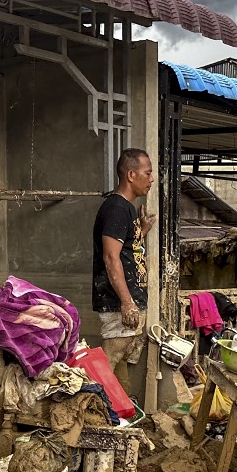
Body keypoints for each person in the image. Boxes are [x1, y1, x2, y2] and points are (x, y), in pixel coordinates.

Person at [92, 148, 156, 391]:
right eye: (147, 173)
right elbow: (111, 257)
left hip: (125, 299)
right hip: (118, 301)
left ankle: (121, 411)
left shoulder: (126, 208)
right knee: (109, 360)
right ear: (131, 175)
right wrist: (127, 302)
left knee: (118, 366)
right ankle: (86, 411)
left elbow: (126, 249)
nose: (151, 179)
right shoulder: (116, 209)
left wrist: (141, 231)